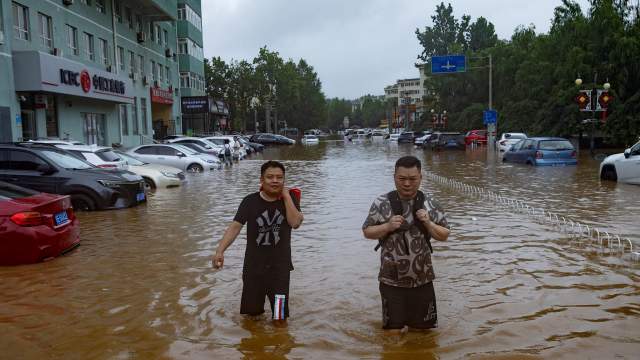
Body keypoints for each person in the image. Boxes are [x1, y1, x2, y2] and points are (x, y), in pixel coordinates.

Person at [362, 155, 450, 331]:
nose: (407, 184)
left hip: (423, 280)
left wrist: (428, 223)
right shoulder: (381, 203)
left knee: (424, 335)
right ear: (394, 177)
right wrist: (387, 226)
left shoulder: (430, 203)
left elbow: (444, 235)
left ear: (420, 178)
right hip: (391, 282)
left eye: (412, 179)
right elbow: (367, 231)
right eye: (402, 179)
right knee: (392, 336)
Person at [213, 161, 303, 324]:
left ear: (284, 181)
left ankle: (279, 345)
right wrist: (220, 251)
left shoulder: (290, 200)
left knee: (280, 317)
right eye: (270, 177)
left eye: (279, 177)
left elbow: (295, 223)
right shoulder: (250, 201)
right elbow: (235, 227)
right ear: (261, 180)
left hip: (280, 270)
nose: (275, 180)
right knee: (252, 316)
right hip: (253, 267)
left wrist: (287, 196)